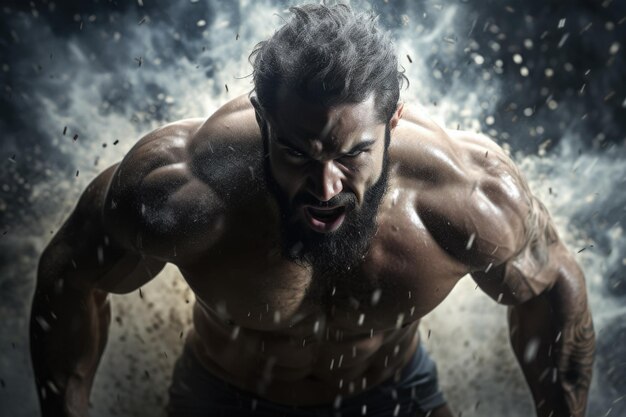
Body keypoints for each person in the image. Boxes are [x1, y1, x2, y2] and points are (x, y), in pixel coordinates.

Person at [30, 3, 595, 417]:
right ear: (263, 118)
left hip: (394, 399)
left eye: (353, 155)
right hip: (224, 399)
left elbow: (552, 285)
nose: (326, 188)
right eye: (298, 154)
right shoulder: (181, 192)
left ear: (392, 121)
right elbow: (69, 274)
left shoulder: (467, 198)